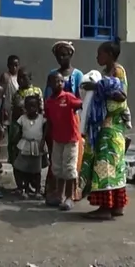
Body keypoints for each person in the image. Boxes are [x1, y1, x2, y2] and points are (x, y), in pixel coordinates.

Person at [81, 73, 129, 220]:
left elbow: (116, 97)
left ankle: (105, 208)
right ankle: (117, 206)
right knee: (118, 171)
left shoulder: (110, 97)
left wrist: (96, 88)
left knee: (104, 171)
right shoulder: (122, 100)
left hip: (107, 136)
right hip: (118, 135)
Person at [44, 40, 85, 203]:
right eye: (59, 55)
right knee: (56, 161)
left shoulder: (77, 75)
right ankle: (55, 192)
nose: (62, 57)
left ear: (71, 55)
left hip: (71, 121)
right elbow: (47, 97)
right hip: (56, 121)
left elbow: (82, 100)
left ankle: (71, 194)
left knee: (71, 162)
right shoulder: (53, 74)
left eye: (65, 54)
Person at [8, 68, 43, 166]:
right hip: (19, 126)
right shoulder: (16, 94)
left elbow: (41, 109)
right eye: (19, 78)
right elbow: (13, 110)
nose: (20, 80)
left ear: (30, 78)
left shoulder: (36, 91)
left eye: (24, 77)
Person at [12, 95, 45, 197]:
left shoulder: (41, 119)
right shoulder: (22, 118)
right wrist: (15, 144)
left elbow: (46, 129)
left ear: (38, 107)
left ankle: (38, 190)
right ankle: (25, 189)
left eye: (33, 106)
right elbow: (18, 131)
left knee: (37, 170)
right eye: (28, 106)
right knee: (24, 169)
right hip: (25, 144)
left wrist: (43, 141)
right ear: (25, 107)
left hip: (37, 145)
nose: (31, 109)